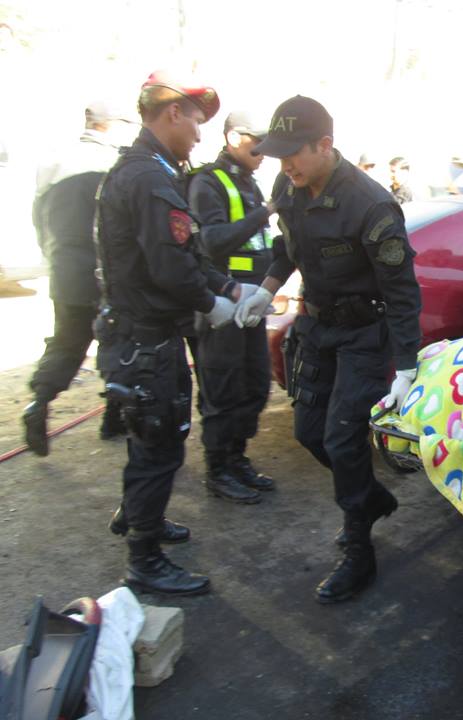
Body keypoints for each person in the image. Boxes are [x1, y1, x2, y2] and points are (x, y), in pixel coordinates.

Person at [234, 95, 422, 604]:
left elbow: (402, 290)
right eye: (278, 154)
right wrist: (266, 289)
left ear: (325, 145)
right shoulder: (288, 186)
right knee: (310, 433)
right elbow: (286, 248)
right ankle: (372, 499)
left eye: (293, 152)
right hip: (316, 328)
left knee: (343, 440)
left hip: (364, 335)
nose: (285, 165)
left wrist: (407, 366)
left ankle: (359, 552)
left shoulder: (371, 204)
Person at [95, 70, 249, 595]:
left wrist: (228, 288)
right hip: (145, 339)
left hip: (142, 335)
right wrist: (211, 303)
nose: (200, 135)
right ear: (172, 112)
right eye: (196, 122)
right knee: (159, 444)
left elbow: (185, 251)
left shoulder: (149, 171)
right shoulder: (149, 178)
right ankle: (144, 557)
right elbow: (170, 267)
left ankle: (143, 516)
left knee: (153, 437)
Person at [22, 101, 127, 456]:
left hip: (65, 270)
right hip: (104, 271)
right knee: (118, 340)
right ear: (106, 125)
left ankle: (39, 401)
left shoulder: (53, 162)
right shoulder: (114, 162)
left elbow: (39, 220)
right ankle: (114, 416)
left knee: (67, 341)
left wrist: (54, 259)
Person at [187, 110, 276, 504]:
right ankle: (218, 469)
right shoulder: (208, 182)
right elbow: (213, 242)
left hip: (251, 304)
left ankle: (237, 458)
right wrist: (266, 211)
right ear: (233, 138)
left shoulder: (248, 182)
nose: (263, 150)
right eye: (256, 141)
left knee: (254, 384)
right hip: (223, 305)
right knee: (222, 390)